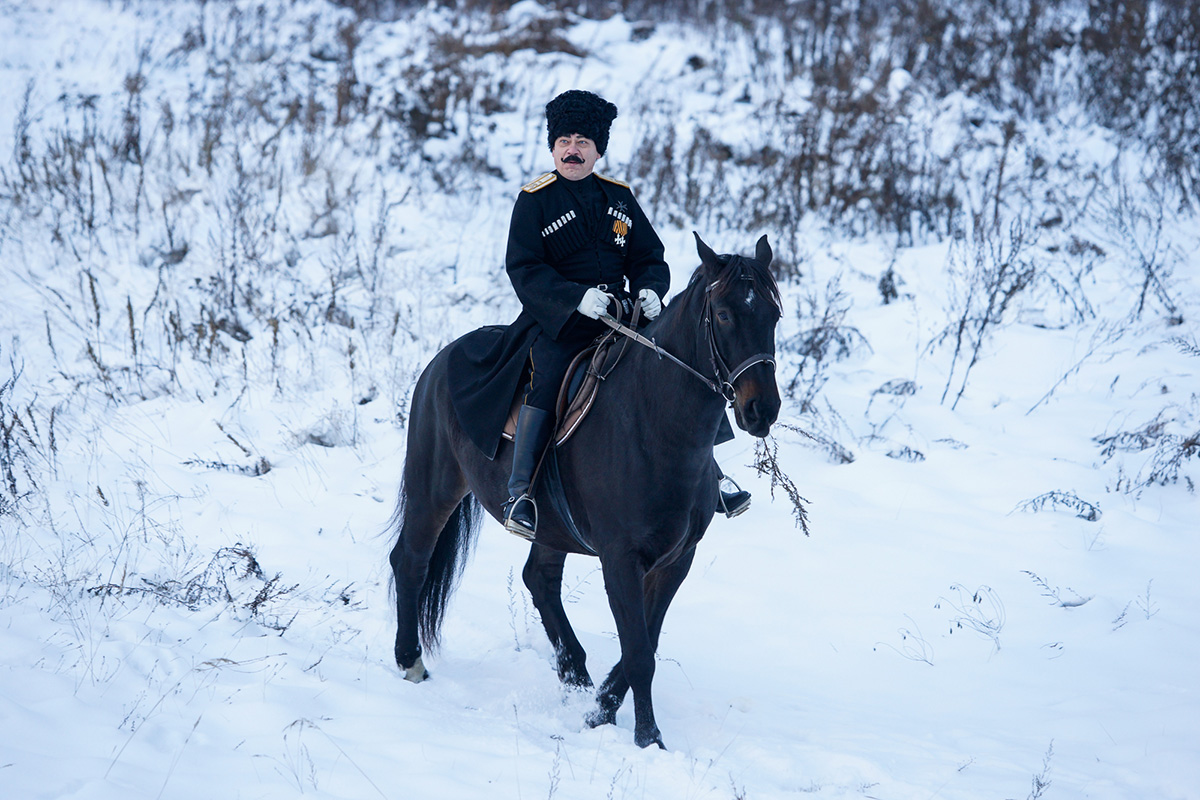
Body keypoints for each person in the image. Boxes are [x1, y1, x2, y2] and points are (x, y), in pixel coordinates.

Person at [446, 89, 750, 540]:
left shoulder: (619, 198)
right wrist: (573, 298)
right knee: (547, 377)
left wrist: (651, 289)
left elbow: (649, 255)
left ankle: (712, 474)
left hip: (624, 320)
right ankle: (521, 492)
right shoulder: (535, 200)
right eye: (564, 140)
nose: (573, 149)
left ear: (598, 150)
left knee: (678, 370)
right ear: (553, 147)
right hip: (560, 323)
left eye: (583, 142)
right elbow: (524, 267)